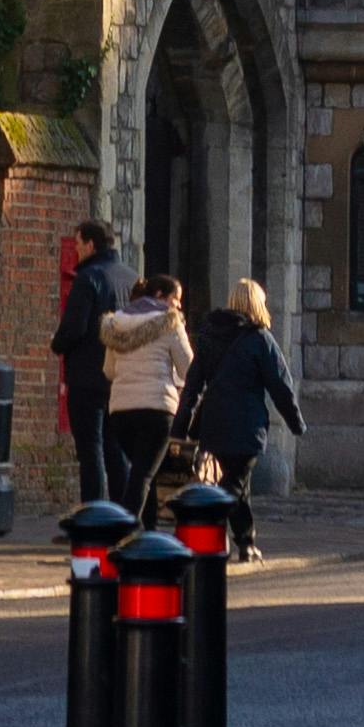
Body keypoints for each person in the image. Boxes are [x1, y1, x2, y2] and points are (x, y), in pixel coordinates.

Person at [170, 273, 299, 505]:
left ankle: (243, 539)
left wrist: (180, 427)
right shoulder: (260, 339)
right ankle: (226, 532)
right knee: (234, 486)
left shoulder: (209, 336)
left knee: (237, 485)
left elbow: (193, 386)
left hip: (214, 424)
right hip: (247, 426)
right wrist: (295, 421)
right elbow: (280, 384)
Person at [51, 218, 151, 517]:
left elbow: (74, 328)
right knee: (115, 448)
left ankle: (92, 515)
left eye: (79, 244)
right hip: (122, 376)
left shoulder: (89, 278)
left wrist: (57, 344)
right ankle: (122, 514)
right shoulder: (132, 278)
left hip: (88, 375)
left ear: (91, 244)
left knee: (90, 449)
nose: (78, 250)